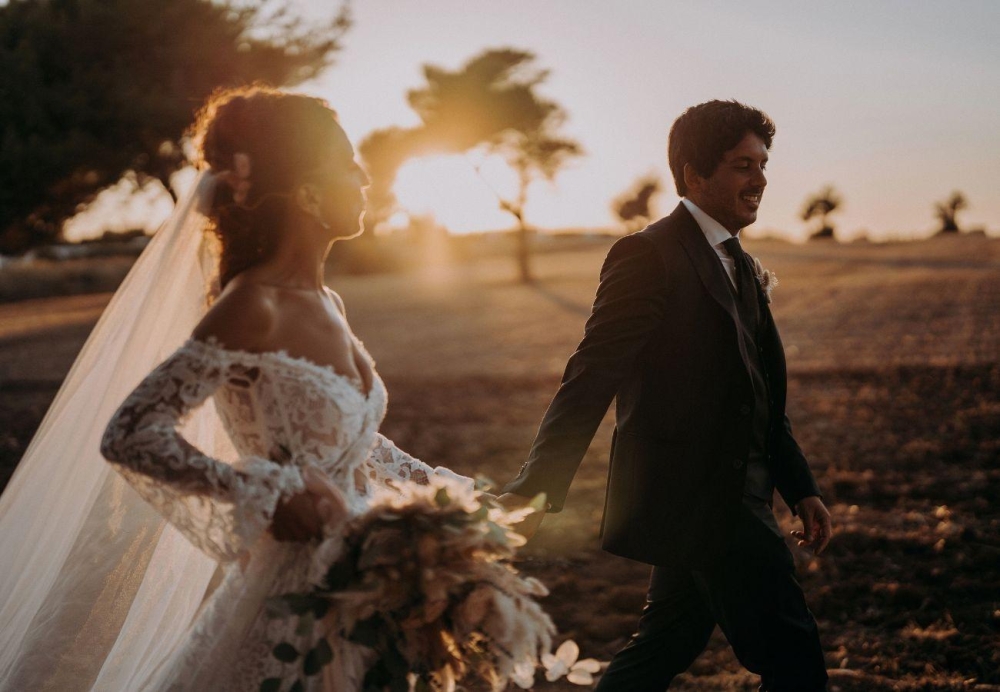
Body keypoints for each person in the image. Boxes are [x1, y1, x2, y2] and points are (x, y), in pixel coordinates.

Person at [0, 87, 514, 691]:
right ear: (307, 193)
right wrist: (268, 491)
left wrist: (446, 495)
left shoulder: (328, 301)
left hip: (359, 587)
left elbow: (352, 442)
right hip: (290, 600)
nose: (366, 181)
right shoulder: (252, 306)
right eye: (349, 166)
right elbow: (131, 433)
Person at [499, 100, 832, 691]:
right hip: (707, 501)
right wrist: (539, 487)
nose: (759, 180)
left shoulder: (744, 266)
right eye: (740, 166)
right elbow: (592, 374)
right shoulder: (647, 255)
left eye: (762, 164)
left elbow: (759, 397)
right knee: (795, 657)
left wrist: (798, 484)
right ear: (693, 174)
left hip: (732, 499)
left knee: (664, 644)